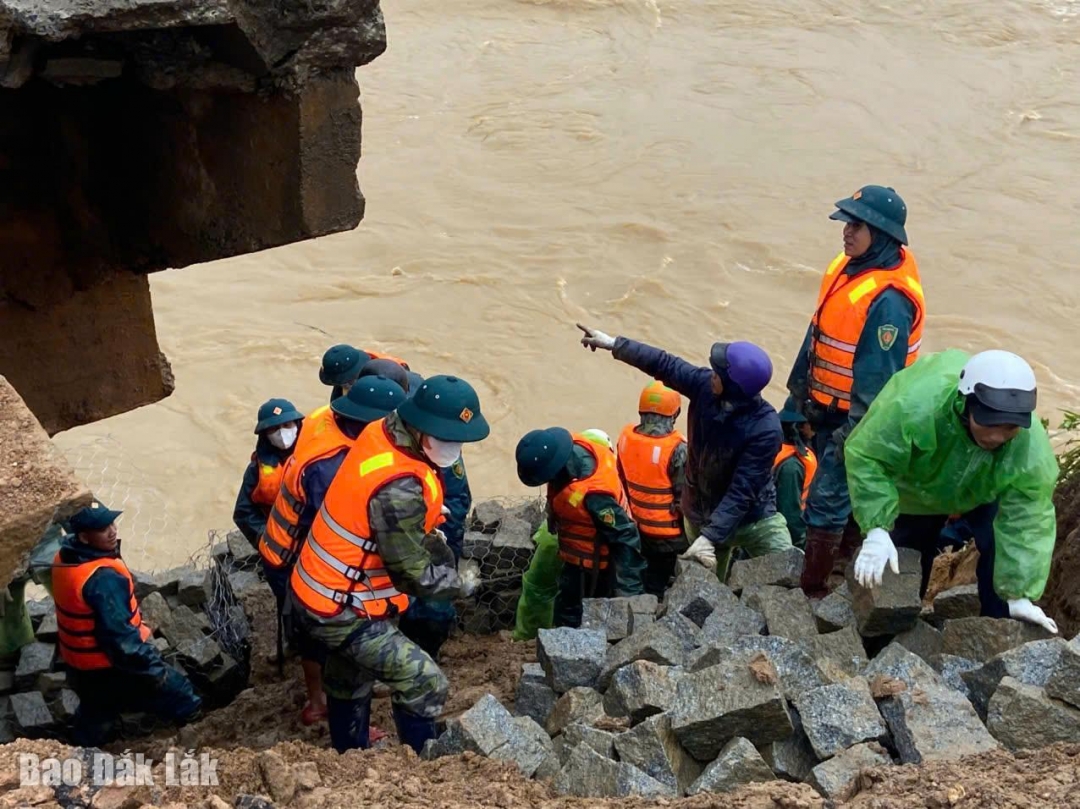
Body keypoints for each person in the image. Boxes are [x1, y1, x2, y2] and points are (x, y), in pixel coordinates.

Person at [286, 375, 487, 754]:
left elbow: (376, 507)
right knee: (424, 681)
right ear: (422, 428)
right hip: (341, 607)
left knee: (351, 675)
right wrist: (458, 582)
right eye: (447, 438)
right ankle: (425, 762)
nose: (454, 448)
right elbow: (411, 572)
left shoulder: (384, 431)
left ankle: (350, 753)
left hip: (319, 588)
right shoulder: (400, 488)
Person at [845, 349, 1058, 633]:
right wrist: (876, 528)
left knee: (999, 549)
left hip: (984, 489)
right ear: (966, 403)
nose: (996, 436)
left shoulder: (1030, 450)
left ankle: (997, 634)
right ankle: (887, 638)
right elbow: (868, 456)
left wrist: (1019, 593)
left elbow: (1028, 519)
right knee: (903, 562)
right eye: (988, 422)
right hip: (917, 488)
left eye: (1008, 427)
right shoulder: (914, 406)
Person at [784, 186, 926, 596]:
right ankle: (843, 565)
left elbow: (877, 382)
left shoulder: (889, 302)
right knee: (841, 496)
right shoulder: (850, 268)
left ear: (881, 233)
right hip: (827, 407)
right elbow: (818, 335)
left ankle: (813, 592)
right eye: (847, 222)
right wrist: (798, 400)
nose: (845, 232)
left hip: (862, 418)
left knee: (827, 498)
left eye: (856, 225)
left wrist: (852, 437)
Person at [577, 325, 792, 580]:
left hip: (753, 518)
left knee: (787, 566)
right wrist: (615, 344)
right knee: (704, 588)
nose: (712, 374)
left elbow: (742, 490)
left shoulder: (765, 429)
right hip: (701, 511)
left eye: (718, 373)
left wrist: (710, 537)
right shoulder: (704, 387)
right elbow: (665, 364)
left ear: (733, 386)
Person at [259, 377, 406, 725]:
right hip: (294, 556)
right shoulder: (331, 466)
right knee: (317, 626)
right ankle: (318, 702)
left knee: (314, 624)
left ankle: (326, 691)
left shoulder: (324, 422)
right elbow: (336, 528)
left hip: (286, 544)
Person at [52, 503, 202, 746]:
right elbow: (122, 643)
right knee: (180, 694)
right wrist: (155, 671)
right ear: (83, 537)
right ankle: (198, 736)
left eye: (112, 523)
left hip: (78, 665)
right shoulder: (103, 579)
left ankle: (82, 751)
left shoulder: (65, 556)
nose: (112, 531)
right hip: (107, 666)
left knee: (95, 714)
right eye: (102, 529)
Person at [515, 427, 646, 627]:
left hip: (594, 571)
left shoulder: (594, 495)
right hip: (575, 563)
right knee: (566, 608)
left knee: (576, 620)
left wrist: (628, 593)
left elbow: (625, 536)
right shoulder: (573, 450)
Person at [616, 381, 689, 597]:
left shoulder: (625, 438)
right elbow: (684, 499)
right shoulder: (678, 449)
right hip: (669, 536)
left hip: (637, 527)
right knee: (658, 584)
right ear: (675, 413)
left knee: (644, 575)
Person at [233, 398, 304, 548]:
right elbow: (243, 512)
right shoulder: (256, 469)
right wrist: (265, 536)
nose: (282, 432)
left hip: (311, 533)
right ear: (265, 434)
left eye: (286, 425)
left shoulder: (314, 457)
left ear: (297, 425)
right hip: (276, 537)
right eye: (274, 428)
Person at [773, 409, 818, 548]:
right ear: (799, 428)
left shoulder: (778, 449)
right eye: (809, 424)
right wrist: (800, 545)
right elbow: (789, 514)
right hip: (780, 535)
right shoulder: (792, 466)